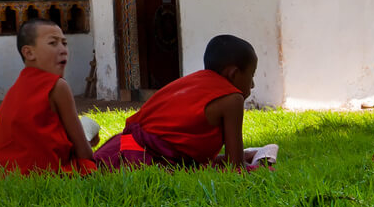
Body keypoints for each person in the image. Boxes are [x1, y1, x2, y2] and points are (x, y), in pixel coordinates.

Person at [94, 34, 257, 170]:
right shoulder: (233, 99)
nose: (252, 85)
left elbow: (187, 157)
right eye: (252, 76)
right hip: (140, 160)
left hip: (117, 150)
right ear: (233, 74)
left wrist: (243, 155)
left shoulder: (194, 81)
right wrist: (260, 162)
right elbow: (235, 167)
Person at [0, 18, 97, 175]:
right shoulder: (57, 86)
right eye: (53, 43)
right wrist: (89, 139)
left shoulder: (15, 89)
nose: (63, 50)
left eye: (64, 43)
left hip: (9, 176)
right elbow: (85, 153)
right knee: (116, 146)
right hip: (51, 174)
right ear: (29, 52)